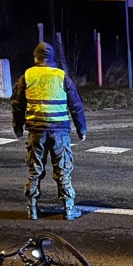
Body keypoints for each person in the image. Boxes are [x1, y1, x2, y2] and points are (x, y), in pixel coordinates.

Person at [11, 41, 87, 221]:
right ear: (52, 59)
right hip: (59, 130)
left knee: (35, 169)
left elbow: (17, 104)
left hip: (36, 130)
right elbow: (76, 105)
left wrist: (18, 127)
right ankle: (68, 208)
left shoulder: (27, 76)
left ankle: (33, 209)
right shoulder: (61, 76)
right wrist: (81, 128)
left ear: (36, 58)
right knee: (63, 168)